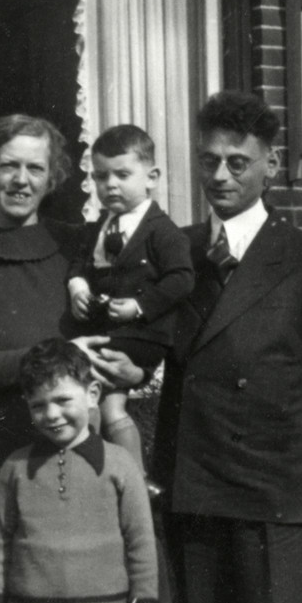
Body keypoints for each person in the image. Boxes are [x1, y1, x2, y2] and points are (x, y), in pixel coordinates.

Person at [154, 91, 302, 603]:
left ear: (269, 166)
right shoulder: (177, 253)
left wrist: (289, 449)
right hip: (192, 485)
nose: (220, 175)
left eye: (237, 162)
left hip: (270, 488)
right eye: (208, 161)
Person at [0, 114, 142, 495]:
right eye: (8, 165)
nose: (21, 180)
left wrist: (137, 368)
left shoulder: (80, 245)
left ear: (52, 177)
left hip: (96, 451)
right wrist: (57, 356)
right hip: (17, 456)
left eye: (35, 168)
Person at [0, 339, 160, 603]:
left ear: (92, 394)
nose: (51, 414)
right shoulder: (15, 468)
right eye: (38, 405)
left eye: (63, 400)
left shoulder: (119, 464)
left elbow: (141, 546)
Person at [66, 123, 195, 471]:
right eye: (100, 177)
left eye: (122, 174)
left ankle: (125, 479)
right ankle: (110, 478)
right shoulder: (99, 226)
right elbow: (79, 262)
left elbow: (182, 279)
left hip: (140, 333)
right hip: (109, 328)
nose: (110, 186)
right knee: (105, 407)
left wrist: (140, 305)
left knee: (85, 395)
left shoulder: (162, 231)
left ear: (151, 177)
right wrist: (77, 285)